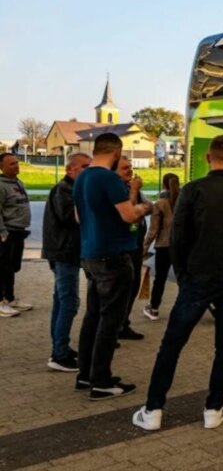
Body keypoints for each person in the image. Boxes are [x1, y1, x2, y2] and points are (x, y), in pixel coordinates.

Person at [133, 135, 223, 431]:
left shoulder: (192, 190)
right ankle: (213, 408)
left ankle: (153, 409)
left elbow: (178, 237)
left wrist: (183, 275)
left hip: (197, 277)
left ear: (208, 158)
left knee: (172, 344)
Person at [74, 133, 153, 400]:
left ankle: (85, 374)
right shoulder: (109, 179)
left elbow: (78, 217)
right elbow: (129, 215)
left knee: (92, 317)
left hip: (90, 255)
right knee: (111, 320)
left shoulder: (82, 177)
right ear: (116, 152)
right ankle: (102, 381)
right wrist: (145, 208)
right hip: (114, 256)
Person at [42, 152, 92, 371]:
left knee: (62, 302)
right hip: (64, 253)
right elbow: (70, 217)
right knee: (69, 302)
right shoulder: (64, 190)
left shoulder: (72, 189)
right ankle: (59, 354)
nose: (88, 171)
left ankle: (60, 347)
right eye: (84, 167)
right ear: (70, 169)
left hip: (66, 252)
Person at [117, 156, 151, 341]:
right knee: (122, 288)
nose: (130, 171)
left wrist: (142, 205)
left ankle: (123, 323)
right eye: (125, 168)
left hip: (136, 243)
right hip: (123, 247)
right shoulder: (117, 189)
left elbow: (150, 207)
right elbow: (128, 214)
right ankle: (113, 329)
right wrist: (135, 192)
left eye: (130, 167)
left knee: (133, 285)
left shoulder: (130, 187)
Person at [142, 173, 180, 321]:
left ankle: (154, 308)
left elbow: (153, 230)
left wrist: (144, 248)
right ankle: (186, 308)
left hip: (164, 246)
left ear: (164, 185)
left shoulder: (160, 204)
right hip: (182, 246)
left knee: (160, 279)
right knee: (184, 278)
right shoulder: (184, 202)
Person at [0, 152, 32, 318]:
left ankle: (10, 298)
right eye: (12, 164)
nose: (16, 166)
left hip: (18, 232)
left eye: (16, 162)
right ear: (2, 167)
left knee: (12, 267)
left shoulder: (18, 182)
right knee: (2, 267)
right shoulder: (1, 185)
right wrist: (2, 232)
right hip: (7, 233)